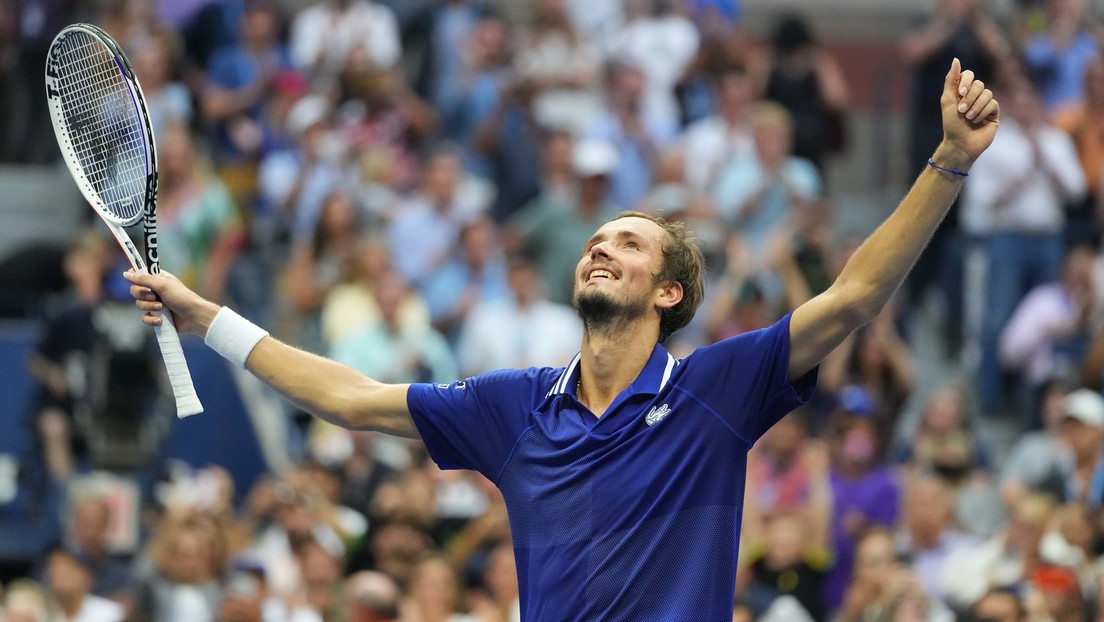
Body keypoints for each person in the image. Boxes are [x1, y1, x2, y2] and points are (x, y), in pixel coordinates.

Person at [125, 60, 999, 621]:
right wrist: (211, 320)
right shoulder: (512, 408)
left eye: (627, 242)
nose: (599, 246)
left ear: (669, 292)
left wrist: (950, 160)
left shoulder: (714, 395)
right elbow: (348, 398)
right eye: (596, 237)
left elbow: (853, 297)